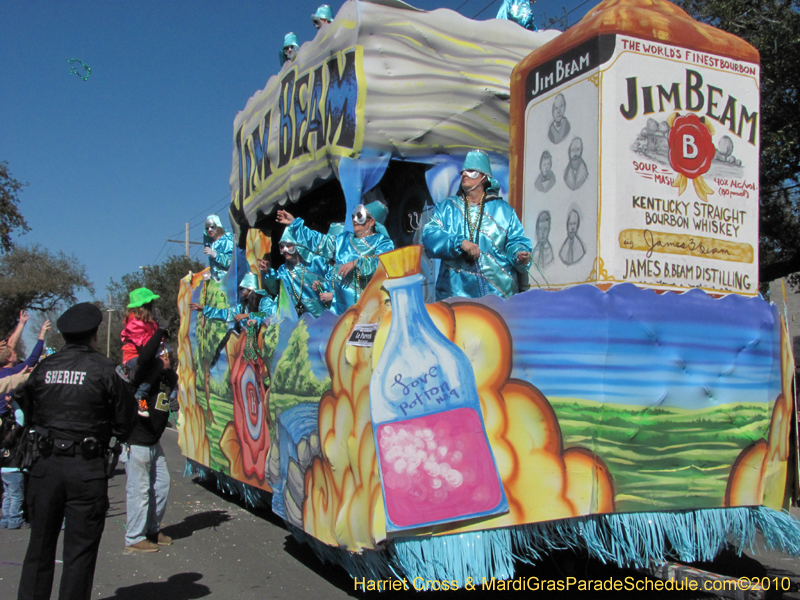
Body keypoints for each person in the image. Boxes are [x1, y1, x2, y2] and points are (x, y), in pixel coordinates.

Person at [17, 302, 136, 600]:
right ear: (94, 335)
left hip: (44, 466)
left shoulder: (45, 367)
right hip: (86, 468)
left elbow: (27, 409)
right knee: (79, 555)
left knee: (39, 548)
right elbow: (125, 422)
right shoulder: (108, 370)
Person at [422, 150, 532, 300]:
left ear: (484, 177)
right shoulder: (447, 208)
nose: (464, 174)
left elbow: (515, 240)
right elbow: (429, 235)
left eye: (471, 171)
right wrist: (459, 243)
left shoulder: (504, 211)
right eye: (463, 171)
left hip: (498, 295)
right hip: (455, 296)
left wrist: (519, 253)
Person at [276, 201, 394, 313]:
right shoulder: (343, 239)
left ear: (371, 221)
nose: (354, 220)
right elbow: (319, 241)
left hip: (369, 304)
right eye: (353, 216)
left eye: (359, 216)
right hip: (340, 307)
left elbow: (382, 264)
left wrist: (357, 263)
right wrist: (295, 224)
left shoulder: (382, 241)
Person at [123, 327, 178, 553]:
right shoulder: (145, 373)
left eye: (167, 355)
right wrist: (159, 335)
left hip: (154, 442)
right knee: (139, 490)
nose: (163, 357)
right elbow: (138, 397)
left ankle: (152, 530)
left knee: (162, 486)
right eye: (161, 355)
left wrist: (170, 408)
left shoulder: (169, 378)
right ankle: (134, 537)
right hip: (137, 441)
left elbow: (166, 400)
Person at [120, 288, 169, 418]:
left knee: (160, 368)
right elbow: (146, 345)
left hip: (147, 360)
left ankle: (158, 409)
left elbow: (158, 341)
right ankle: (141, 396)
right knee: (156, 364)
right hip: (133, 360)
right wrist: (158, 335)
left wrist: (162, 332)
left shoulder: (150, 322)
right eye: (151, 303)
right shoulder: (134, 322)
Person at [261, 230, 329, 317]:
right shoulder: (283, 270)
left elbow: (333, 281)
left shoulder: (315, 262)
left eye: (288, 246)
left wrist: (323, 286)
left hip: (322, 315)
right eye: (282, 247)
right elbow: (276, 289)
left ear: (298, 246)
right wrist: (268, 272)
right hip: (299, 318)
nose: (285, 250)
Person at [190, 272, 276, 329]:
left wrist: (247, 315)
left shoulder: (265, 301)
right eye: (240, 289)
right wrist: (204, 309)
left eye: (243, 289)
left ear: (251, 290)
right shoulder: (243, 306)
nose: (241, 292)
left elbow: (268, 314)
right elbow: (226, 313)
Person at [203, 215, 234, 282]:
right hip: (216, 283)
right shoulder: (213, 244)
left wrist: (215, 255)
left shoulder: (226, 240)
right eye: (207, 228)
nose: (209, 230)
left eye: (212, 227)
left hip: (227, 282)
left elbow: (231, 261)